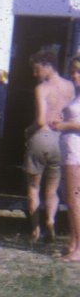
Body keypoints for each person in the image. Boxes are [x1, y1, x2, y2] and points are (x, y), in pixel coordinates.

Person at [24, 49, 74, 242]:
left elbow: (40, 120)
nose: (35, 74)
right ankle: (51, 221)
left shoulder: (41, 89)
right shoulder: (70, 86)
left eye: (37, 70)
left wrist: (28, 131)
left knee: (33, 187)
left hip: (42, 138)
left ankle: (36, 231)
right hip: (61, 140)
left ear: (47, 66)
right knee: (52, 189)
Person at [51, 55, 80, 261]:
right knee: (70, 200)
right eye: (72, 71)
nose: (74, 75)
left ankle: (79, 249)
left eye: (78, 71)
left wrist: (64, 126)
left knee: (74, 199)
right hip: (69, 150)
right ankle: (72, 244)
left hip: (76, 153)